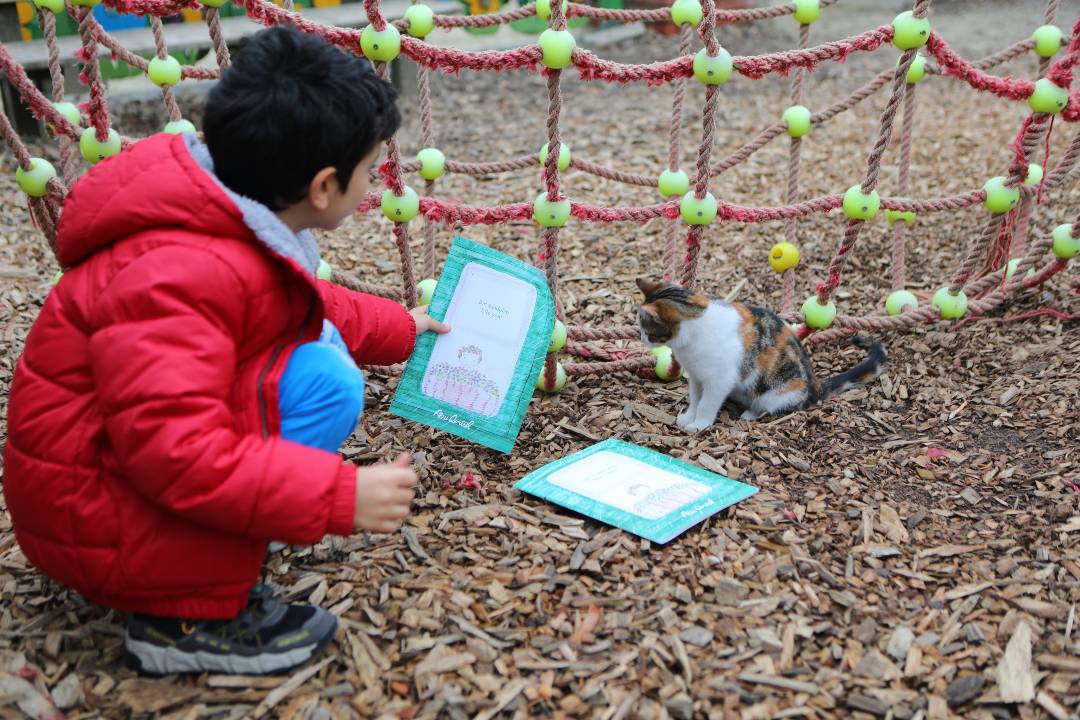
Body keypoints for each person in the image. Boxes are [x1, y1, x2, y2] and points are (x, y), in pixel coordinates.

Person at [2, 24, 448, 676]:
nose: (376, 182)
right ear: (324, 187)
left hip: (105, 470)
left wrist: (401, 328)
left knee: (323, 370)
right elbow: (175, 455)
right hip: (94, 515)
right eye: (371, 168)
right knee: (293, 395)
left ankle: (228, 534)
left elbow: (307, 306)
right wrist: (336, 496)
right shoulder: (180, 272)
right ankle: (178, 620)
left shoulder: (227, 209)